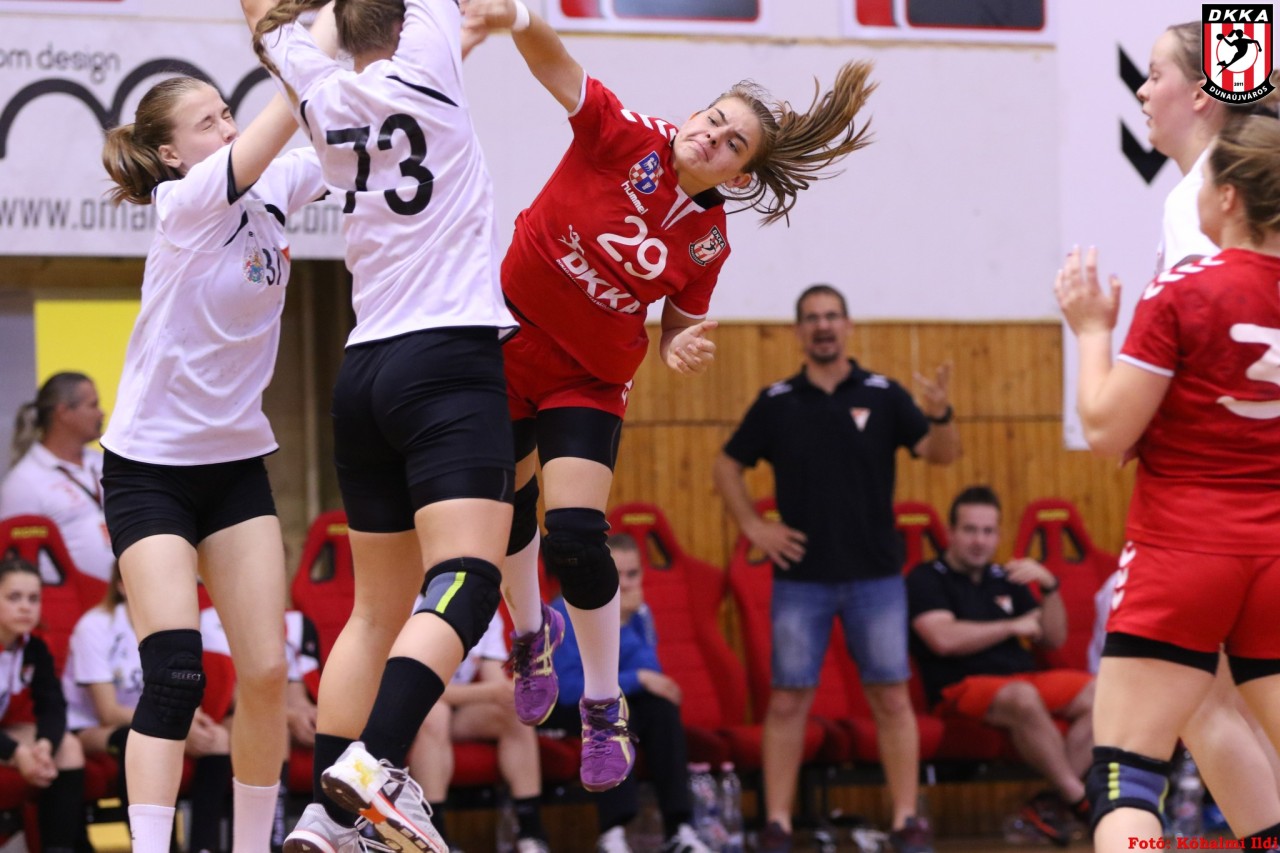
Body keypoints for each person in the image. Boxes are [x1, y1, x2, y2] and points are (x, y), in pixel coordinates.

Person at [462, 0, 877, 799]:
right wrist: (517, 14)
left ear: (739, 174)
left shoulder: (710, 240)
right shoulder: (622, 134)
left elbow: (680, 319)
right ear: (694, 114)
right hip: (508, 341)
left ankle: (603, 704)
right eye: (713, 119)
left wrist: (677, 343)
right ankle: (529, 634)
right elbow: (555, 63)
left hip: (588, 377)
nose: (712, 137)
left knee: (574, 536)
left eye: (732, 142)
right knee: (505, 506)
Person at [245, 1, 520, 850]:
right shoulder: (429, 57)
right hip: (448, 361)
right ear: (407, 24)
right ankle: (376, 765)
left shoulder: (322, 92)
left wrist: (296, 16)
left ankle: (326, 815)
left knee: (373, 612)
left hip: (363, 370)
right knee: (469, 577)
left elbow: (264, 21)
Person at [98, 8, 333, 847]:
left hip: (235, 464)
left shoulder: (273, 189)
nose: (227, 126)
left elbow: (342, 127)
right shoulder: (183, 202)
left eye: (226, 111)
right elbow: (290, 111)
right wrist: (305, 37)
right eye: (207, 122)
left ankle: (252, 842)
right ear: (171, 153)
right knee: (175, 672)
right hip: (150, 467)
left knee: (266, 671)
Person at [1055, 116, 1280, 851]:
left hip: (1182, 550)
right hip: (1276, 555)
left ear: (1229, 197)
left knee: (1127, 773)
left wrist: (1093, 330)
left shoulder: (1187, 289)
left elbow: (1105, 427)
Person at [713, 284, 960, 853]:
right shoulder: (777, 401)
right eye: (812, 318)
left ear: (848, 326)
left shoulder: (883, 394)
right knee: (787, 701)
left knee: (892, 699)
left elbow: (942, 453)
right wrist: (753, 526)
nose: (823, 325)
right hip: (801, 580)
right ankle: (777, 823)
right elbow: (726, 466)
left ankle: (906, 820)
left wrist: (941, 413)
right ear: (798, 331)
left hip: (876, 577)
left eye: (831, 316)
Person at [906, 486, 1094, 846]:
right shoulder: (926, 578)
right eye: (970, 530)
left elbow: (1052, 638)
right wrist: (1010, 626)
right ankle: (1080, 800)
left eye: (988, 531)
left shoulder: (1004, 577)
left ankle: (1050, 804)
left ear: (998, 535)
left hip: (1022, 678)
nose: (980, 540)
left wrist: (1050, 587)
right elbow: (943, 639)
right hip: (959, 686)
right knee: (1021, 696)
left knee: (1102, 693)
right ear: (950, 533)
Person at [543, 533, 710, 853]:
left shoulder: (639, 613)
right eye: (617, 575)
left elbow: (652, 674)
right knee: (612, 710)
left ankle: (679, 829)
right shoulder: (564, 611)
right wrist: (635, 674)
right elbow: (570, 690)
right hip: (569, 708)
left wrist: (623, 622)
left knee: (660, 708)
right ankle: (613, 833)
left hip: (618, 696)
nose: (626, 584)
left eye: (633, 574)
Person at [64, 565, 234, 853]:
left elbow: (183, 686)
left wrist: (193, 722)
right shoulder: (94, 627)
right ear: (122, 585)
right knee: (131, 740)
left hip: (159, 719)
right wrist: (176, 727)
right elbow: (108, 711)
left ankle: (204, 846)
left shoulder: (174, 627)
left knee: (217, 739)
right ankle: (159, 846)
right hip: (93, 728)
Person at [407, 611, 548, 853]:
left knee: (516, 713)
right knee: (435, 714)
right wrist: (492, 692)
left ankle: (530, 832)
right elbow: (419, 687)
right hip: (409, 708)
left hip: (458, 706)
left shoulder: (485, 608)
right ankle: (435, 836)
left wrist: (517, 691)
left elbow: (494, 678)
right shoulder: (415, 607)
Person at [0, 556, 87, 853]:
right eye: (14, 597)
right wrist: (16, 752)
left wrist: (44, 745)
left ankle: (59, 847)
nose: (26, 607)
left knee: (68, 746)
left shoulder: (34, 648)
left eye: (33, 598)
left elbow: (52, 705)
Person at [0, 372, 113, 583]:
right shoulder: (24, 482)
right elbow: (16, 563)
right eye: (93, 405)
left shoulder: (104, 463)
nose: (101, 413)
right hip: (65, 599)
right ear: (63, 413)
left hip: (123, 596)